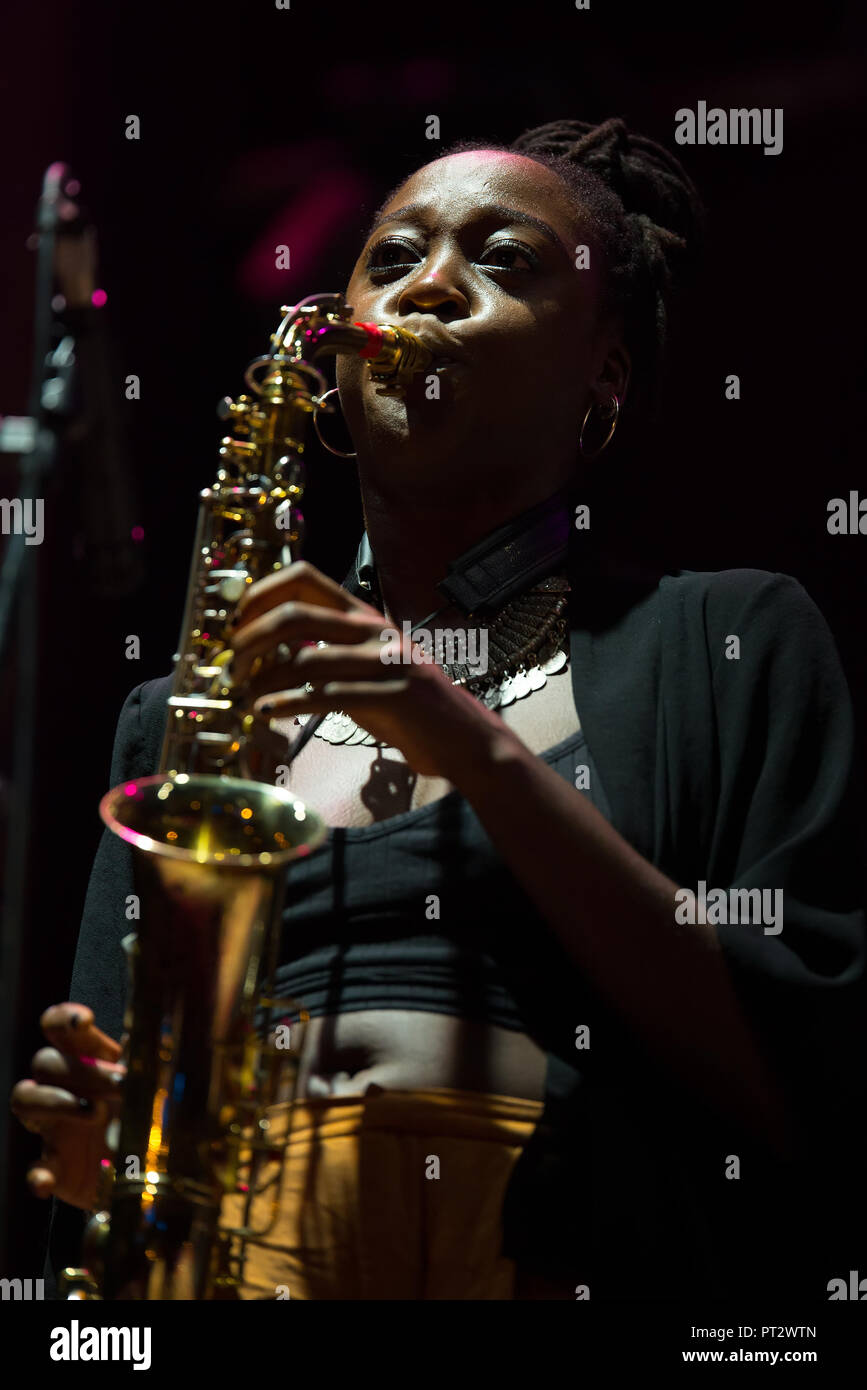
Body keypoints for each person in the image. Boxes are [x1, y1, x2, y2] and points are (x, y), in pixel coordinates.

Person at [12, 117, 866, 1301]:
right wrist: (102, 1145)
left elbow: (806, 1076)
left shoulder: (728, 641)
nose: (428, 290)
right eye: (393, 255)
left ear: (603, 376)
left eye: (504, 261)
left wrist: (465, 739)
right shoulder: (191, 710)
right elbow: (114, 1126)